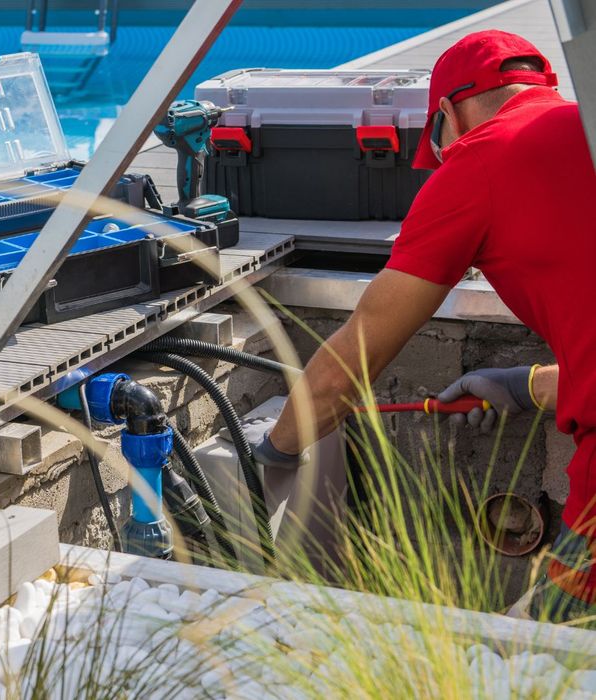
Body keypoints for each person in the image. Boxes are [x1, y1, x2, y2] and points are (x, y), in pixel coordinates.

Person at [251, 30, 596, 623]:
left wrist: (275, 450)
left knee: (528, 655)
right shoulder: (583, 125)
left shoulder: (479, 160)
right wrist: (525, 382)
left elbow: (350, 367)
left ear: (446, 114)